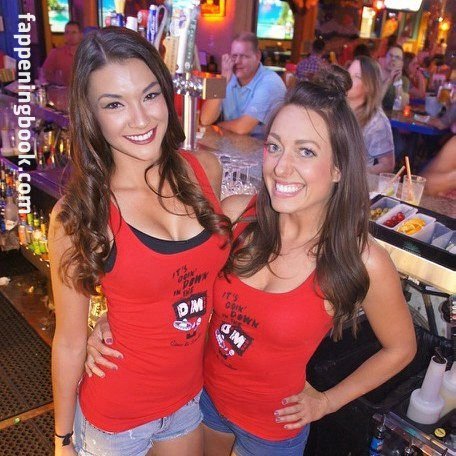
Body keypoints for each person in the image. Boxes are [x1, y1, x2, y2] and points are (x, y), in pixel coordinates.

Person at [86, 67, 416, 456]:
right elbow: (174, 283)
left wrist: (328, 401)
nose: (281, 167)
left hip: (272, 430)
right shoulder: (236, 216)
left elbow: (401, 348)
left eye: (306, 151)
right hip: (203, 404)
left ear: (339, 167)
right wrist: (114, 322)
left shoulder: (361, 259)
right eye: (274, 146)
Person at [49, 26, 231, 456]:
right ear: (91, 115)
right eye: (114, 104)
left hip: (187, 401)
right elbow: (70, 341)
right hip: (115, 420)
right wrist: (62, 440)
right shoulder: (79, 215)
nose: (141, 119)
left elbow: (199, 279)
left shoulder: (204, 170)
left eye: (149, 96)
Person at [199, 32, 286, 138]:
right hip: (232, 143)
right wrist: (222, 80)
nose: (237, 61)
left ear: (258, 56)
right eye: (234, 56)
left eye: (244, 56)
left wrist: (218, 125)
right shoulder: (227, 76)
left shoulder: (271, 82)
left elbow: (242, 128)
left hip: (261, 146)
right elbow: (205, 119)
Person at [347, 56, 395, 174]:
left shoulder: (376, 121)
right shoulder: (335, 106)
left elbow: (387, 165)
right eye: (348, 73)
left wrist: (356, 174)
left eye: (357, 76)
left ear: (369, 86)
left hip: (352, 181)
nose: (348, 79)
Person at [42, 21, 83, 86]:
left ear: (81, 35)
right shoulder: (55, 53)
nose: (70, 35)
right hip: (61, 90)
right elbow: (44, 74)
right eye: (67, 32)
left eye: (74, 32)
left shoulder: (88, 53)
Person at [381, 45, 410, 111]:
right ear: (385, 58)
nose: (393, 59)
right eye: (390, 55)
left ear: (401, 63)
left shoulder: (404, 81)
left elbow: (401, 107)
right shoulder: (375, 76)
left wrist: (398, 82)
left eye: (397, 57)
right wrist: (389, 80)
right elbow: (374, 103)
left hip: (392, 116)